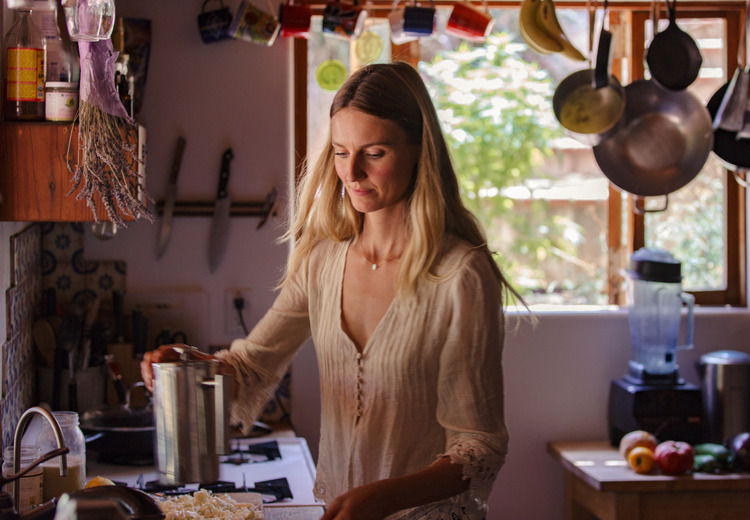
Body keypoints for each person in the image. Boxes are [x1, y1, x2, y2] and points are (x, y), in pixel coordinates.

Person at [142, 61, 530, 520]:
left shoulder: (459, 274)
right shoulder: (322, 260)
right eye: (341, 152)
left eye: (375, 153)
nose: (353, 172)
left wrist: (382, 497)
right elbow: (251, 367)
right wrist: (189, 364)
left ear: (418, 150)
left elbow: (480, 446)